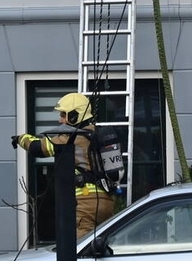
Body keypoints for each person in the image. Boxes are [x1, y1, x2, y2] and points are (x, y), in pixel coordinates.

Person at [10, 91, 123, 236]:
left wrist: (21, 138)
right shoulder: (96, 133)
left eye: (64, 115)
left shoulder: (72, 138)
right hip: (107, 201)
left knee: (81, 246)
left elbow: (38, 148)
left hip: (86, 203)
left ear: (75, 115)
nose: (60, 120)